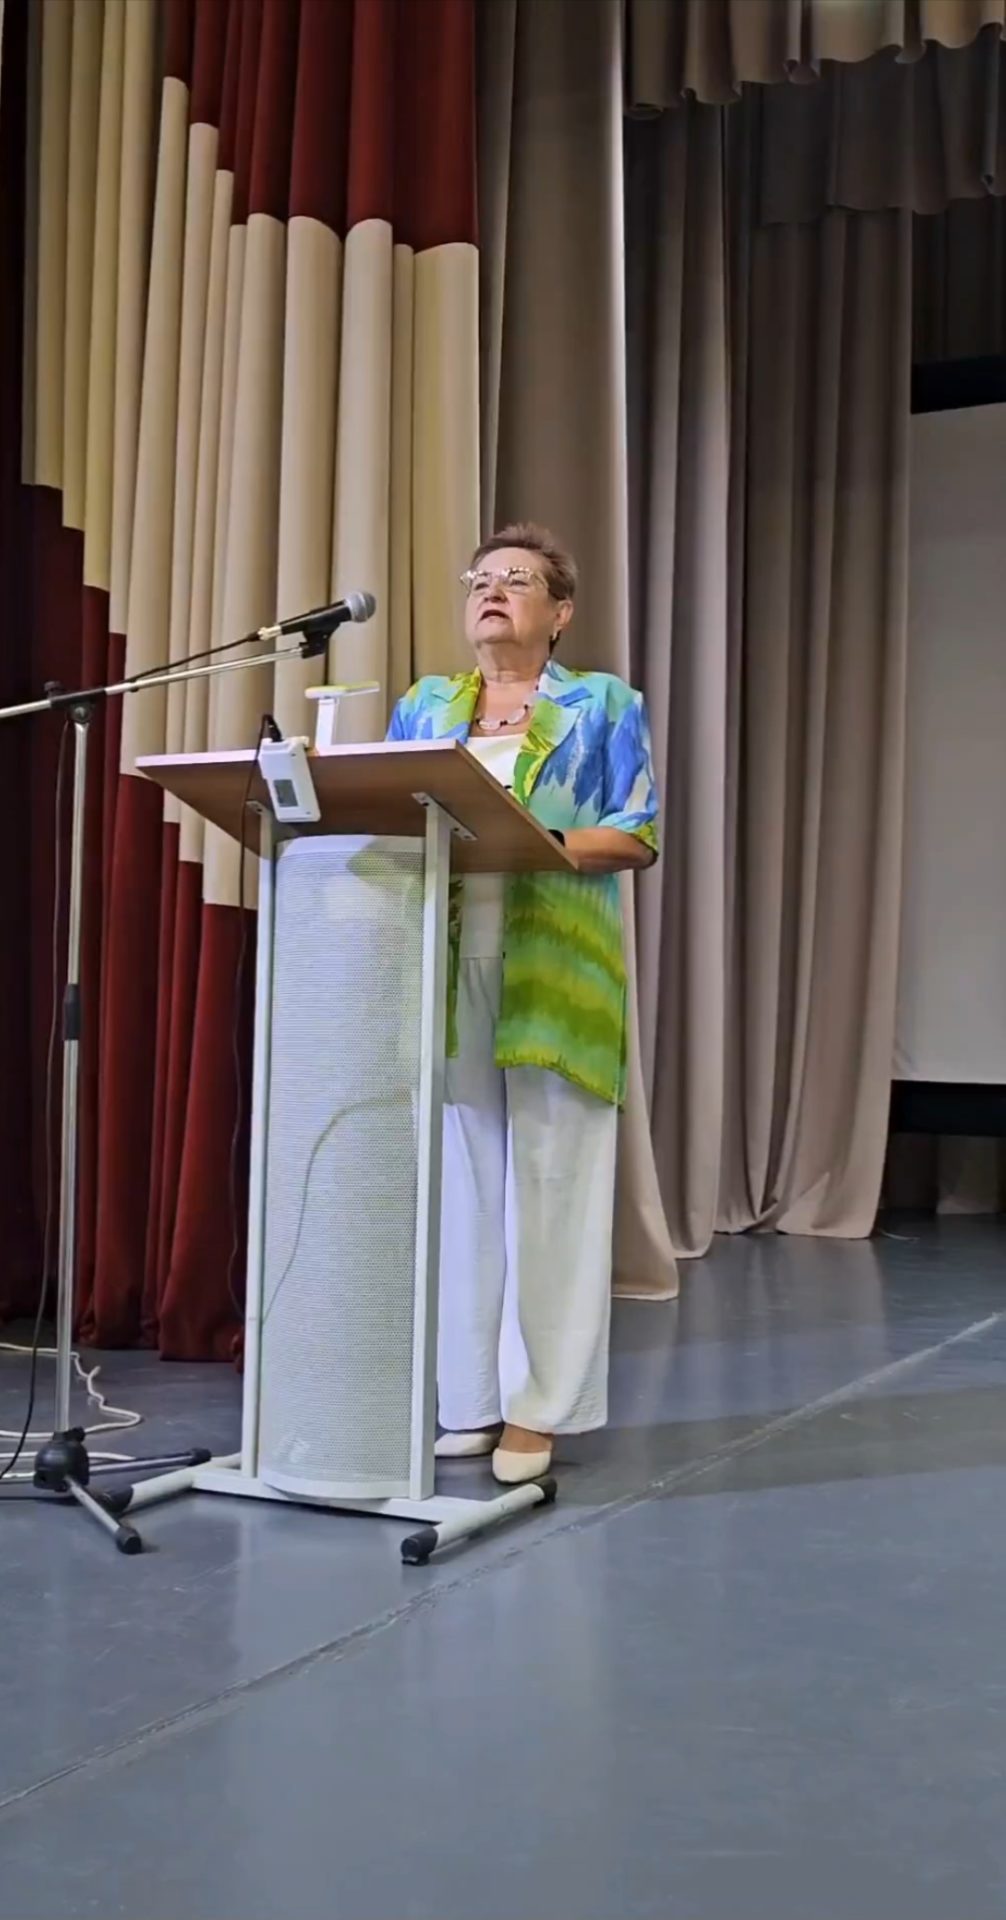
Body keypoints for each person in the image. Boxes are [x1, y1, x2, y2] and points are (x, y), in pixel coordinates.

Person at [387, 524, 659, 1484]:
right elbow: (388, 813)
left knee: (554, 1184)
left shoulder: (603, 704)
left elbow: (634, 832)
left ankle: (540, 1408)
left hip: (558, 970)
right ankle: (467, 1399)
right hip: (447, 958)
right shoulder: (426, 706)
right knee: (461, 1182)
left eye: (518, 579)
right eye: (482, 579)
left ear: (560, 612)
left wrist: (530, 840)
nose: (493, 591)